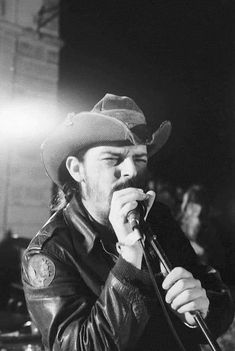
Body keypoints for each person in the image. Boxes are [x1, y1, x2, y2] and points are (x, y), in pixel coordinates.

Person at [22, 94, 234, 351]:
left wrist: (202, 310)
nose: (131, 171)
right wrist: (130, 260)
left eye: (140, 159)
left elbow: (216, 297)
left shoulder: (158, 218)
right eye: (112, 159)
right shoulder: (49, 253)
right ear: (77, 170)